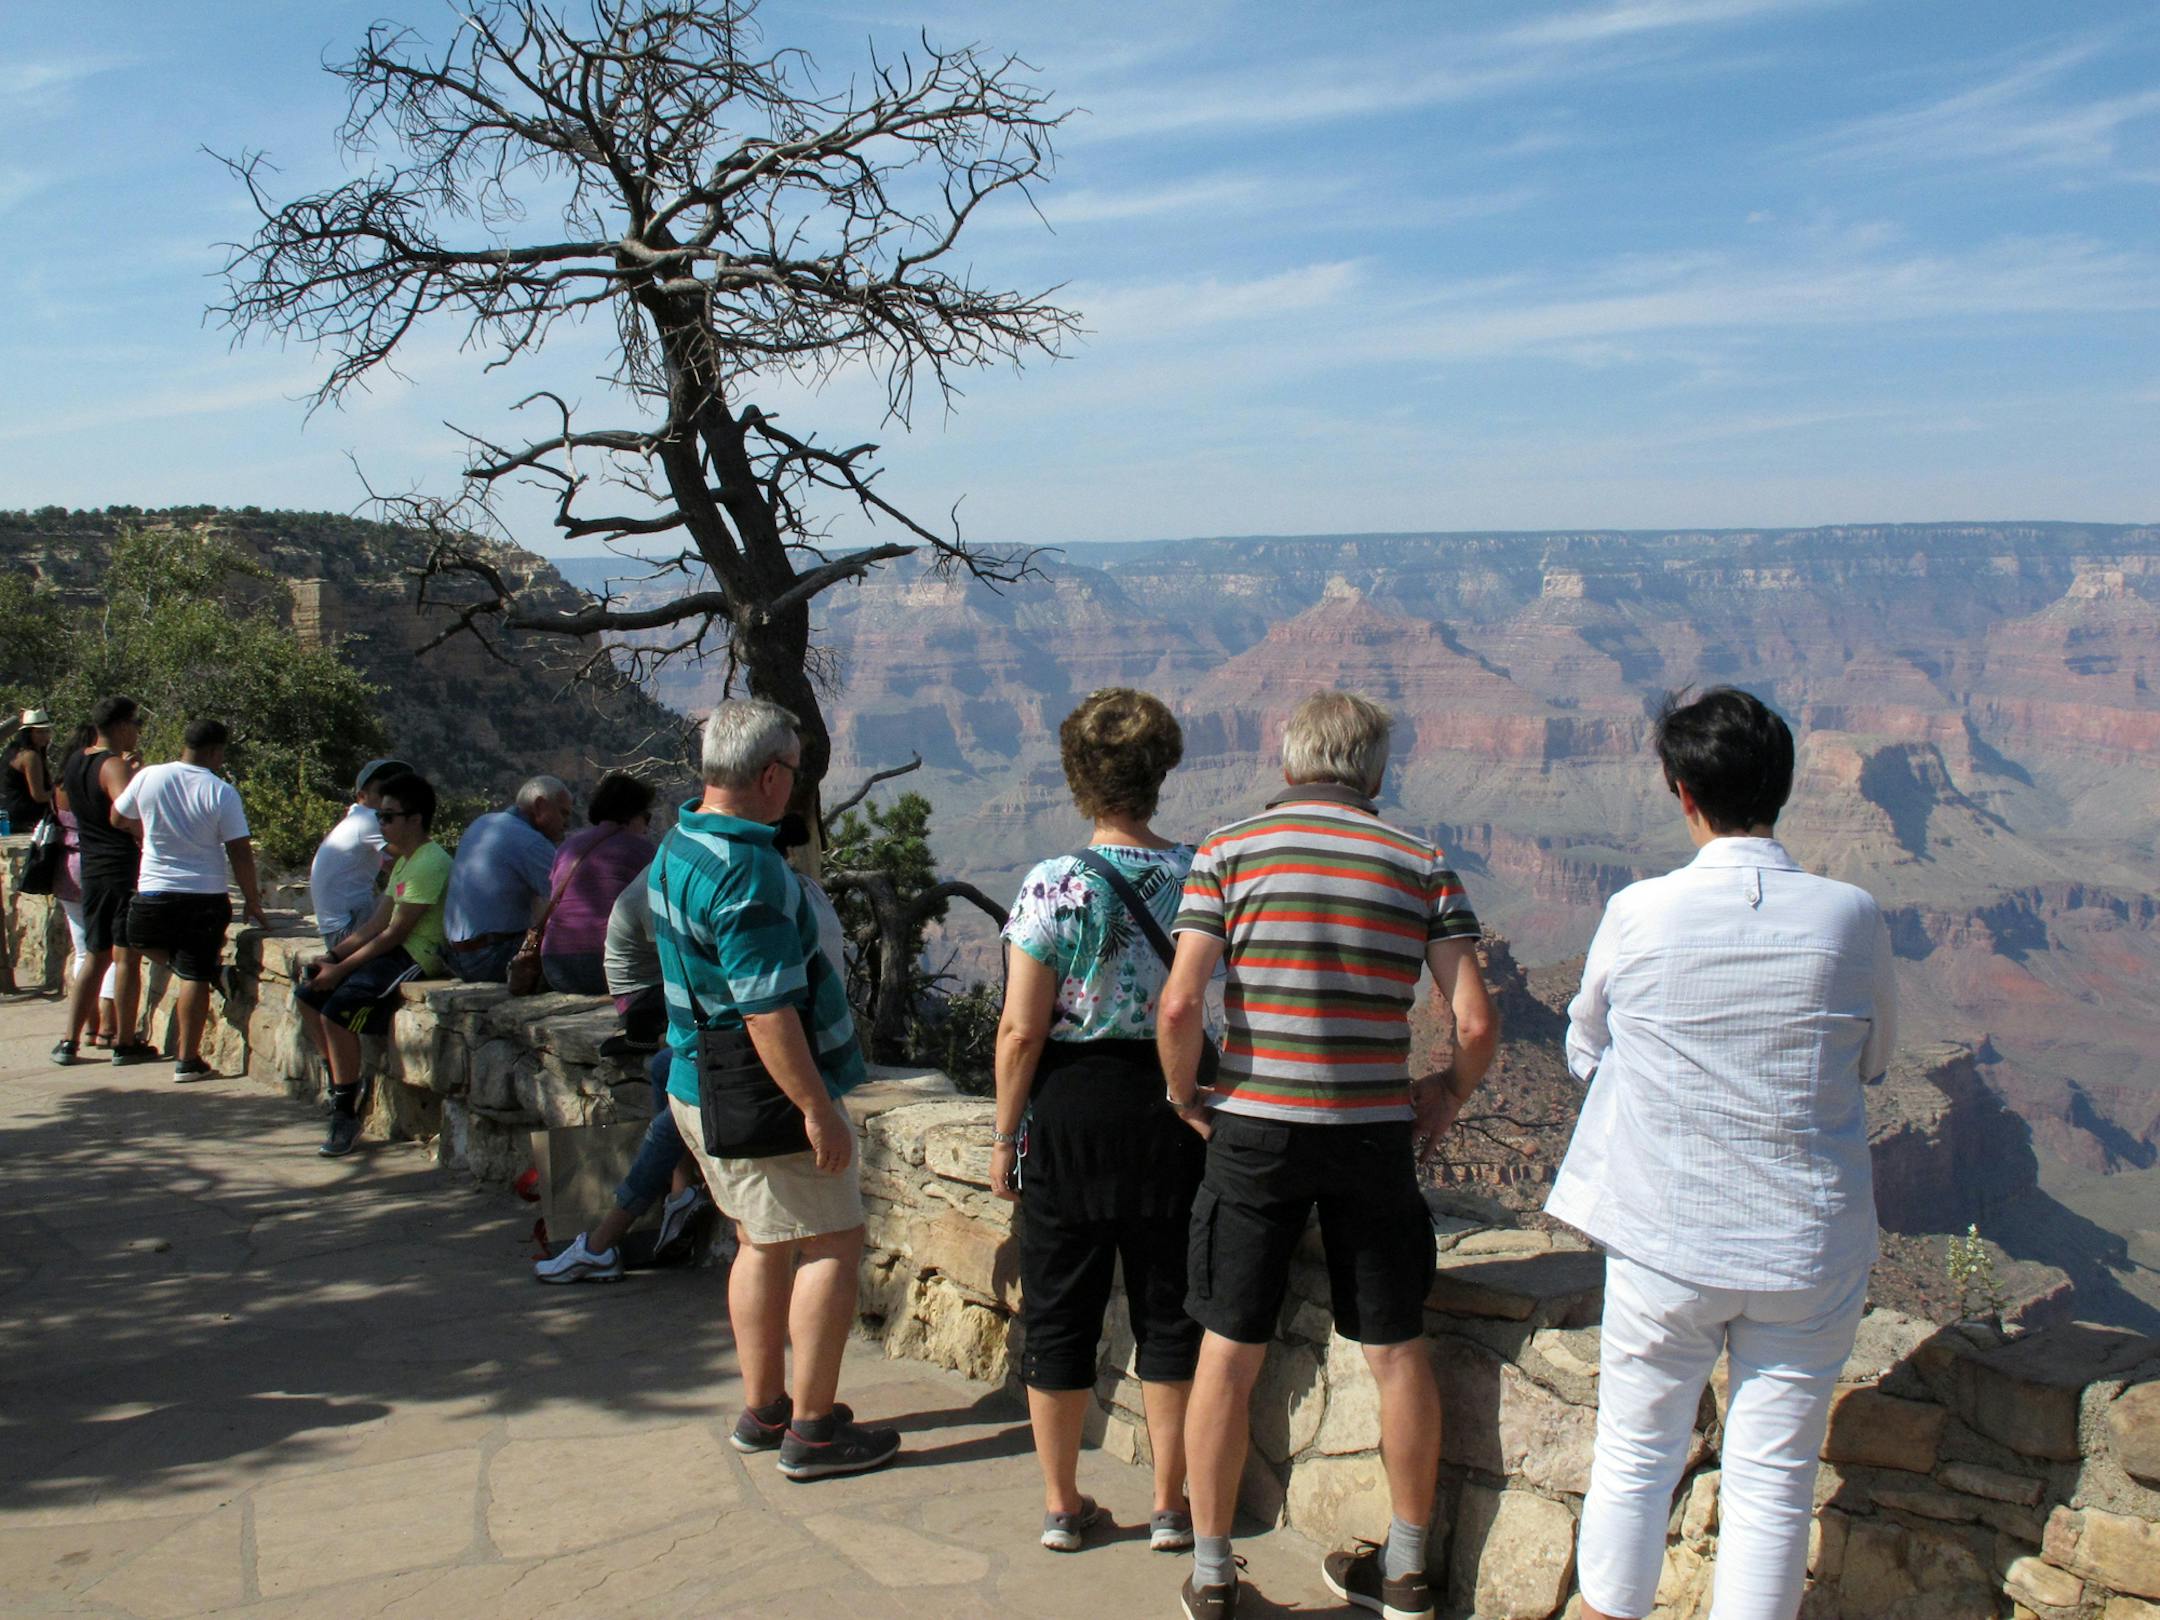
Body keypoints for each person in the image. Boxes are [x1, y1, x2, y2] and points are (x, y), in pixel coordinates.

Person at [1548, 688, 1896, 1620]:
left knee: (1633, 1457)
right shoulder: (1851, 916)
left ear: (1680, 791)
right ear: (1781, 787)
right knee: (1773, 1484)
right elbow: (1876, 1058)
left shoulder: (1639, 912)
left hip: (1665, 1238)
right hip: (1806, 1246)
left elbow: (1587, 1045)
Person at [1158, 689, 1499, 1620]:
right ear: (1375, 772)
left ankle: (1217, 1573)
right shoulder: (1421, 860)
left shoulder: (1224, 852)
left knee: (1228, 1350)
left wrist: (1187, 1097)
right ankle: (1410, 1569)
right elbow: (1472, 1020)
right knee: (1396, 1350)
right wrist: (1444, 1094)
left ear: (1288, 762)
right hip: (1372, 1134)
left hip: (1254, 1135)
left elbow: (1182, 1006)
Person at [653, 698, 899, 1479]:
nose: (797, 787)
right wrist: (817, 1110)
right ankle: (814, 1431)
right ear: (768, 775)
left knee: (760, 1240)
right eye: (793, 772)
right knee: (832, 1240)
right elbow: (766, 1011)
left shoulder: (680, 841)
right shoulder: (747, 874)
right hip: (763, 1092)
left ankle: (765, 1409)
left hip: (696, 1080)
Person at [990, 688, 1206, 1555]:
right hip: (1171, 1106)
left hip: (1072, 1111)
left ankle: (1061, 1504)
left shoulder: (1053, 885)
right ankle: (1168, 1504)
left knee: (1059, 1310)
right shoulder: (1203, 871)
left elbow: (1019, 1029)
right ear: (1163, 770)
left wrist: (1006, 1138)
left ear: (1079, 776)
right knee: (1168, 1310)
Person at [537, 868, 707, 1284]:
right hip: (651, 1000)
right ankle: (679, 1189)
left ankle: (600, 1244)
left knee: (674, 1111)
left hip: (738, 1050)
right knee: (667, 1067)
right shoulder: (679, 875)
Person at [294, 772, 452, 1158]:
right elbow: (375, 923)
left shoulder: (430, 862)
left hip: (416, 956)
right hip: (393, 948)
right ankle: (342, 1083)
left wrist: (342, 970)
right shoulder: (404, 860)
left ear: (415, 819)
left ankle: (346, 1109)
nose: (380, 825)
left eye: (388, 817)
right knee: (308, 995)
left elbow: (396, 933)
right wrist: (332, 957)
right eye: (379, 817)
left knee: (337, 1011)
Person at [115, 720, 270, 1081]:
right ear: (216, 751)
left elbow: (118, 816)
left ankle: (201, 987)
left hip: (154, 886)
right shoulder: (221, 791)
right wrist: (252, 899)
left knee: (139, 940)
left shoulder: (148, 776)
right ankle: (187, 1058)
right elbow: (239, 850)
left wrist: (148, 833)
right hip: (204, 893)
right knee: (195, 973)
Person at [53, 696, 150, 1067]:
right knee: (125, 955)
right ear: (122, 726)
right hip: (119, 867)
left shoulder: (77, 762)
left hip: (91, 867)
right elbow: (124, 815)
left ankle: (68, 1040)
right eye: (136, 724)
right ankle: (124, 1041)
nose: (137, 731)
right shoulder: (112, 766)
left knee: (93, 955)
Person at [443, 776, 572, 981]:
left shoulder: (482, 823)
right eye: (562, 813)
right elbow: (571, 902)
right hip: (490, 957)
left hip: (455, 957)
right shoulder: (531, 842)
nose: (566, 823)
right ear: (540, 806)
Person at [539, 770, 658, 994]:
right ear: (633, 814)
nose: (646, 827)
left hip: (556, 967)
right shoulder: (641, 850)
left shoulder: (567, 848)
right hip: (605, 966)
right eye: (647, 817)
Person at [309, 757, 412, 948]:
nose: (390, 797)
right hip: (346, 933)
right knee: (423, 887)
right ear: (362, 796)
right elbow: (414, 858)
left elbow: (395, 866)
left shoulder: (355, 820)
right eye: (383, 791)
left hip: (337, 931)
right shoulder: (369, 819)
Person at [2, 709, 54, 832]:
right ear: (28, 733)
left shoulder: (13, 751)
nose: (45, 736)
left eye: (46, 731)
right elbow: (39, 796)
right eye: (39, 732)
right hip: (25, 820)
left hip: (10, 814)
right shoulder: (30, 756)